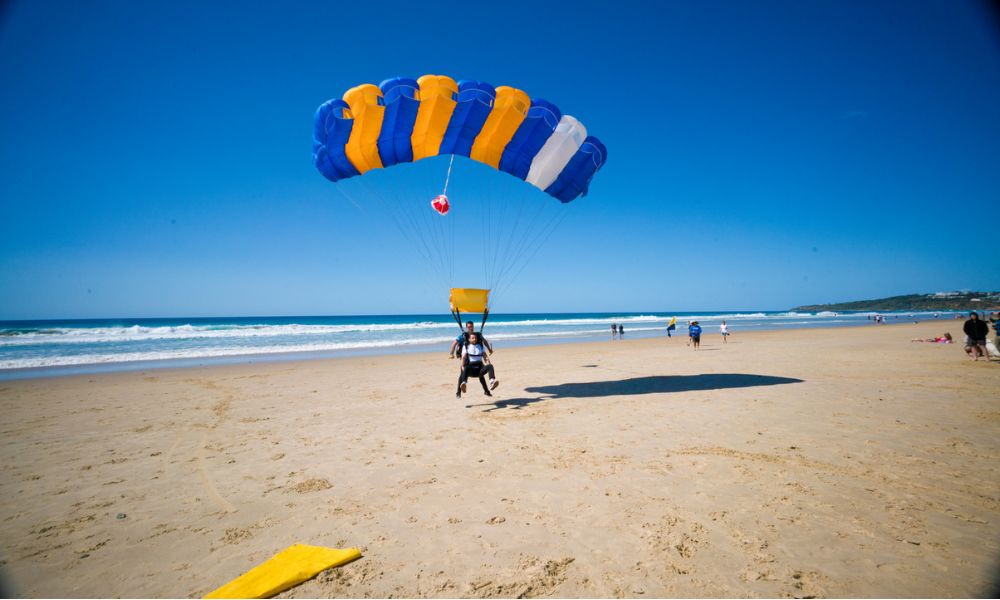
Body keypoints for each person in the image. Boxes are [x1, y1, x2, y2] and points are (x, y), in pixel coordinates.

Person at [457, 333, 498, 398]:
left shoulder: (480, 346)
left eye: (475, 338)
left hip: (479, 370)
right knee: (466, 367)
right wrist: (462, 366)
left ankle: (492, 382)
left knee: (490, 366)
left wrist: (488, 362)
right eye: (473, 338)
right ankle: (464, 384)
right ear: (469, 339)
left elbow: (485, 356)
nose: (474, 339)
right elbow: (463, 357)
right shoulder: (466, 346)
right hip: (470, 370)